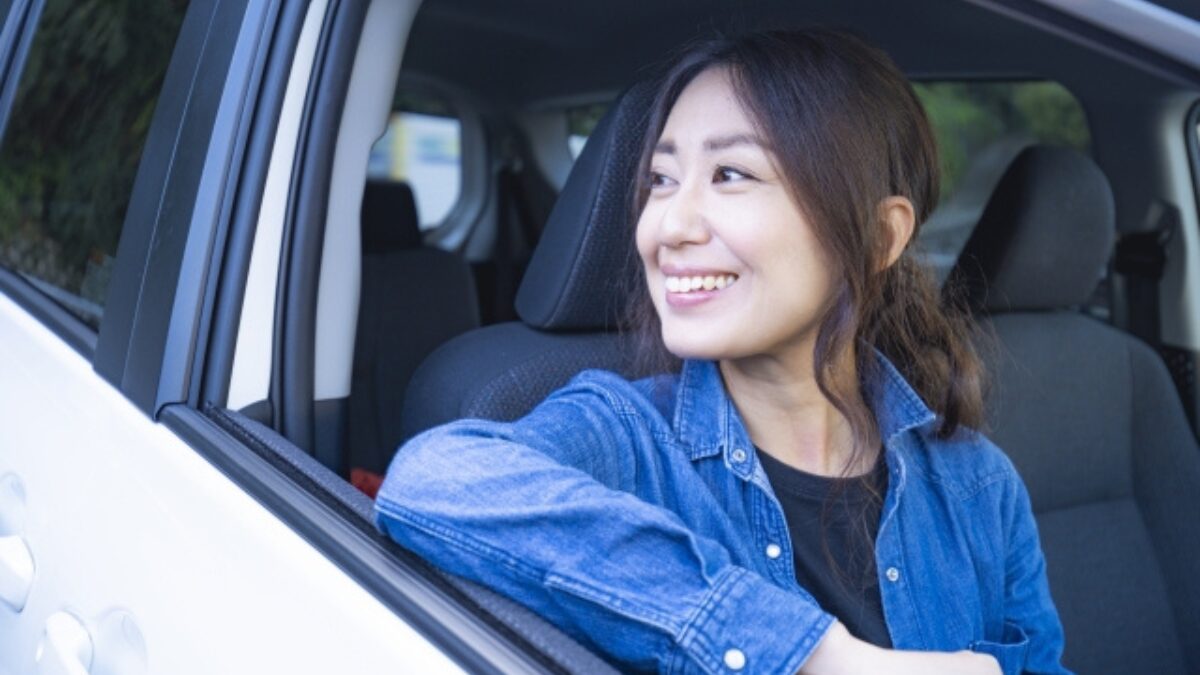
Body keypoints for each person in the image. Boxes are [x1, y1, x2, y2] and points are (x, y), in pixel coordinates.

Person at [374, 28, 1067, 675]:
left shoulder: (976, 484)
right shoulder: (625, 437)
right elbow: (437, 481)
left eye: (732, 174)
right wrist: (822, 656)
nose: (667, 225)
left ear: (880, 236)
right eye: (661, 180)